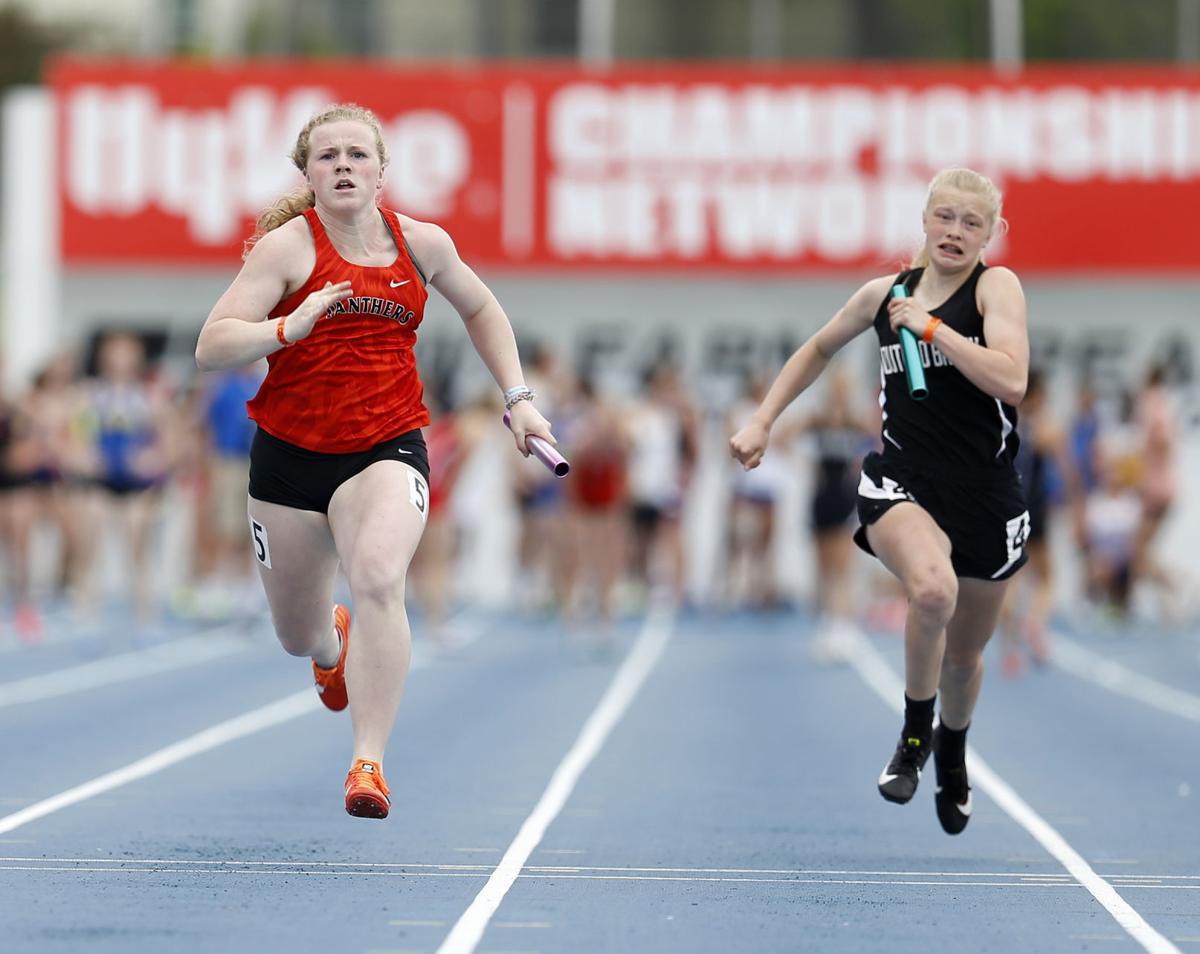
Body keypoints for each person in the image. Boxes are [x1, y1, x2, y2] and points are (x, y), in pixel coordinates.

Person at [194, 103, 555, 819]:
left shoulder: (422, 244)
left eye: (358, 155)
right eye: (328, 157)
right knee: (296, 635)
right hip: (290, 460)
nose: (344, 167)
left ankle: (368, 763)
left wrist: (519, 400)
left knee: (381, 577)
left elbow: (482, 310)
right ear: (309, 174)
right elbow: (211, 346)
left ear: (382, 172)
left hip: (386, 447)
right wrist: (284, 328)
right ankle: (333, 646)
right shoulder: (287, 250)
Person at [731, 168, 1029, 836]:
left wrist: (934, 332)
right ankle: (915, 735)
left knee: (965, 656)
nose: (955, 233)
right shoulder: (882, 294)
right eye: (944, 217)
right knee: (930, 593)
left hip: (986, 492)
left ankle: (952, 756)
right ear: (924, 220)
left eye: (971, 223)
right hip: (903, 481)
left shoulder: (994, 288)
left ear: (991, 234)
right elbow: (816, 348)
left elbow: (1012, 380)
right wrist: (764, 420)